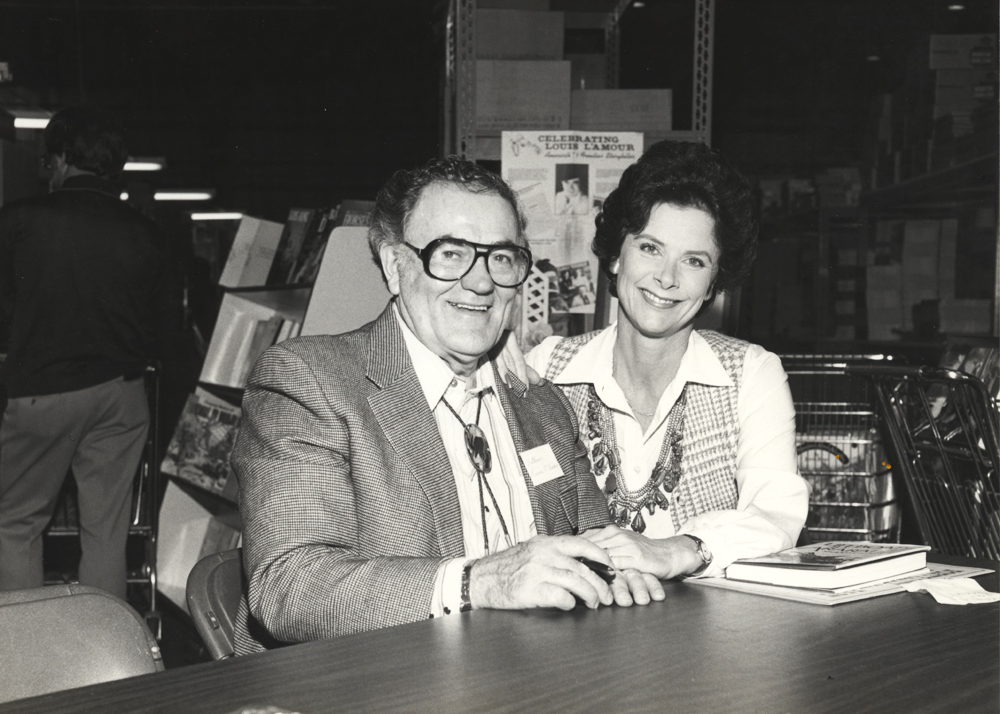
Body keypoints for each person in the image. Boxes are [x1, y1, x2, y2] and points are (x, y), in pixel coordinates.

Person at [231, 156, 662, 655]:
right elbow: (289, 587)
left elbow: (595, 537)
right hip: (371, 682)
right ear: (395, 266)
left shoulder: (540, 401)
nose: (481, 282)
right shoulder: (310, 380)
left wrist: (618, 570)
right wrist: (476, 582)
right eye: (452, 254)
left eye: (501, 257)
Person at [517, 140, 809, 580]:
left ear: (713, 284)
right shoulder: (546, 367)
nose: (667, 278)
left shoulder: (752, 373)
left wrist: (675, 551)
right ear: (617, 256)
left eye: (693, 261)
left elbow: (776, 513)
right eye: (650, 248)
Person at [0, 106, 172, 600]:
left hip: (44, 393)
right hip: (122, 395)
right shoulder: (146, 232)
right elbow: (162, 327)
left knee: (16, 524)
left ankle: (30, 660)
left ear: (57, 161)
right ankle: (106, 660)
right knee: (106, 533)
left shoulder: (19, 221)